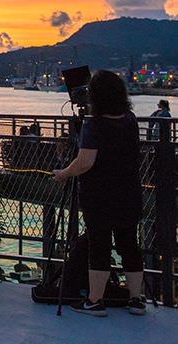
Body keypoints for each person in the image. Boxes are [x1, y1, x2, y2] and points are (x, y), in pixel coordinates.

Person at [53, 70, 145, 317]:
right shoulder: (130, 119)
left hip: (100, 194)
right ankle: (136, 299)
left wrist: (64, 173)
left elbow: (85, 162)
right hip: (129, 191)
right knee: (129, 244)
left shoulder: (94, 124)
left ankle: (94, 300)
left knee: (99, 246)